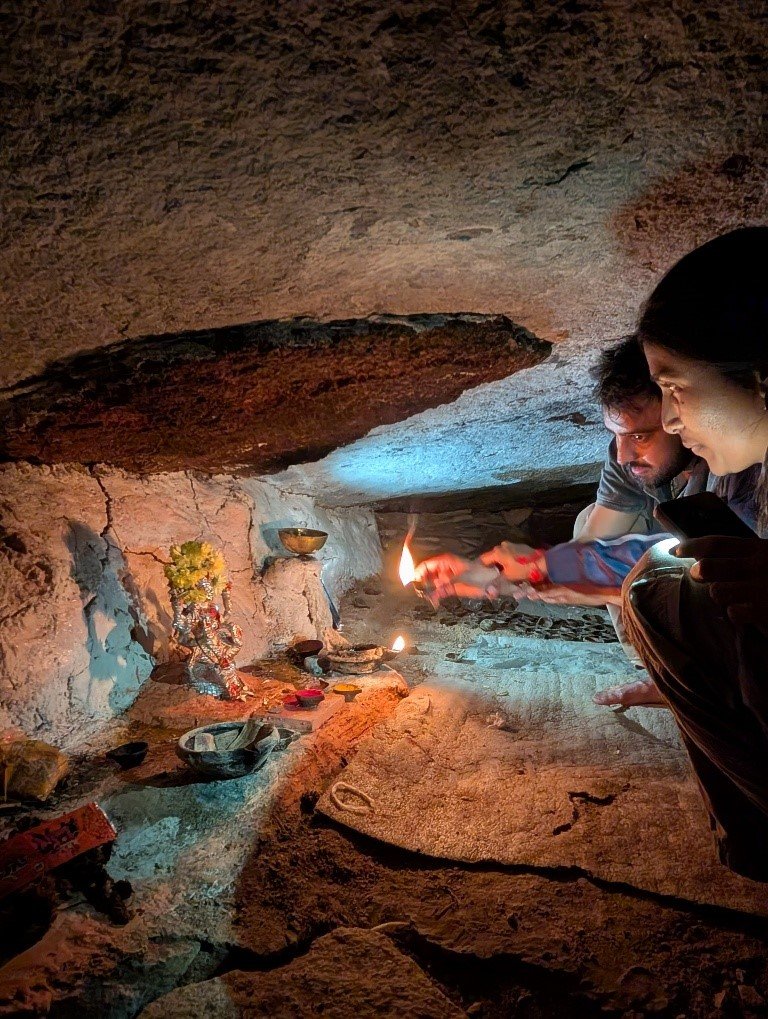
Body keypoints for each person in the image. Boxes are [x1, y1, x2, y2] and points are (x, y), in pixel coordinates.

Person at [620, 225, 768, 880]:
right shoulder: (747, 473)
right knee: (659, 581)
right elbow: (594, 532)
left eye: (675, 388)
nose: (673, 421)